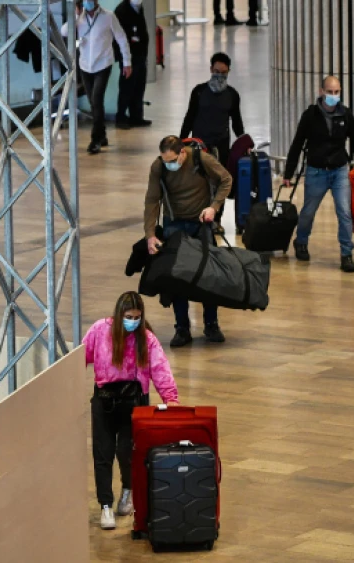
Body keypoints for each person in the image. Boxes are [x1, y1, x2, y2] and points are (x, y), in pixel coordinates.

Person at [83, 291, 179, 531]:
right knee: (102, 454)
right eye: (129, 316)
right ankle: (105, 505)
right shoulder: (99, 330)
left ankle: (127, 490)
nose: (133, 321)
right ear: (119, 314)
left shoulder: (147, 339)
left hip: (134, 401)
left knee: (127, 452)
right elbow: (80, 357)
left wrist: (171, 398)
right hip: (104, 400)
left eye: (137, 317)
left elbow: (160, 368)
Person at [144, 135, 232, 347]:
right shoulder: (159, 167)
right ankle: (181, 327)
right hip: (174, 223)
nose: (170, 164)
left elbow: (226, 179)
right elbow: (152, 199)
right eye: (166, 161)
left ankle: (211, 324)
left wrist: (214, 207)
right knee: (177, 277)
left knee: (209, 275)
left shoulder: (202, 159)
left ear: (182, 153)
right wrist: (150, 234)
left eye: (173, 160)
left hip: (201, 223)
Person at [281, 75, 354, 273]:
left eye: (336, 92)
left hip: (339, 171)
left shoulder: (346, 115)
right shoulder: (310, 116)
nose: (333, 96)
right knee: (308, 212)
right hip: (316, 172)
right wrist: (289, 172)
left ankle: (346, 254)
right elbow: (297, 144)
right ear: (321, 92)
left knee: (345, 212)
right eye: (329, 92)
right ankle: (301, 241)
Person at [179, 52, 245, 232]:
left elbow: (237, 122)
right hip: (199, 146)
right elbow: (190, 117)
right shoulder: (199, 92)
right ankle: (197, 216)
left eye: (223, 73)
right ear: (210, 70)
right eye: (216, 71)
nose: (219, 76)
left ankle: (216, 218)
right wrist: (181, 141)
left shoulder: (232, 95)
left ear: (229, 72)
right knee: (199, 182)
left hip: (221, 145)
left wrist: (243, 142)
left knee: (219, 183)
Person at [63, 0, 132, 155]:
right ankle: (102, 135)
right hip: (85, 65)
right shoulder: (79, 18)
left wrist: (127, 62)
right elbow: (64, 31)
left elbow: (121, 39)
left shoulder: (109, 16)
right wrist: (75, 15)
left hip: (103, 64)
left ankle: (95, 140)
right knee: (93, 102)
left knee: (96, 99)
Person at [113, 0, 151, 129]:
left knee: (139, 88)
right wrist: (124, 60)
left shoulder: (139, 8)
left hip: (140, 55)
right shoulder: (121, 11)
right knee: (126, 88)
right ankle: (121, 117)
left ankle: (136, 117)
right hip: (128, 58)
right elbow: (118, 38)